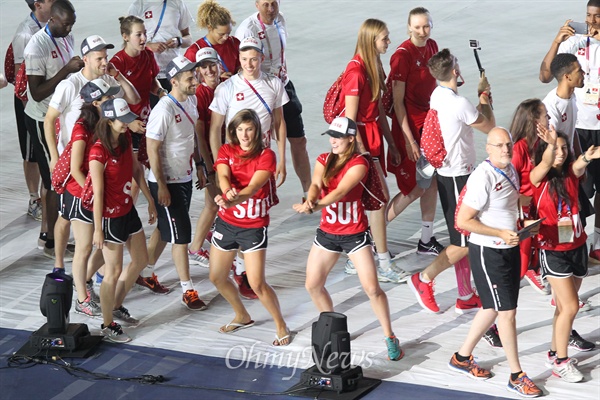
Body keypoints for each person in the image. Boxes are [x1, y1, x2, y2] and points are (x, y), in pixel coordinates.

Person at [294, 117, 403, 361]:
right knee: (312, 285)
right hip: (328, 233)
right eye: (331, 135)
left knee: (372, 288)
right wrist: (310, 199)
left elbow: (340, 191)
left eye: (338, 136)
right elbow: (314, 184)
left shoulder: (360, 163)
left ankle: (390, 336)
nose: (333, 140)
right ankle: (334, 330)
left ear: (351, 139)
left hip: (354, 234)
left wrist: (314, 206)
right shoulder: (324, 159)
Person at [449, 127, 543, 398]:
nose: (505, 150)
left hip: (508, 246)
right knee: (507, 313)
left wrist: (523, 224)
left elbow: (510, 204)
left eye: (508, 145)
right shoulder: (483, 176)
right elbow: (463, 221)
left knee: (491, 307)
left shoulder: (510, 169)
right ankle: (516, 375)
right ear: (487, 148)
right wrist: (500, 233)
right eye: (499, 145)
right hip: (489, 251)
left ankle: (461, 358)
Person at [408, 48, 495, 314]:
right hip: (457, 175)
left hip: (449, 175)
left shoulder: (437, 94)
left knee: (463, 238)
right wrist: (484, 97)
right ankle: (423, 279)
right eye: (457, 65)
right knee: (464, 241)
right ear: (455, 72)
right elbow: (490, 126)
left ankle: (465, 294)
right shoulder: (459, 103)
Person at [45, 34, 140, 276]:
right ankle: (59, 263)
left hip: (99, 162)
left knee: (89, 221)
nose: (104, 61)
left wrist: (117, 75)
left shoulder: (108, 81)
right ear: (85, 59)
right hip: (75, 163)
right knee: (66, 217)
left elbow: (133, 100)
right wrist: (54, 157)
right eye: (99, 58)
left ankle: (91, 273)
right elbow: (49, 120)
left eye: (106, 56)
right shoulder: (70, 85)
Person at [208, 36, 288, 297]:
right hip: (232, 159)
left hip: (261, 158)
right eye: (244, 59)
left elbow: (279, 123)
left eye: (254, 59)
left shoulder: (273, 84)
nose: (249, 64)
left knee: (254, 212)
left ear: (261, 58)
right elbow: (214, 129)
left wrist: (283, 158)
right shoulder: (227, 88)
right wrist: (217, 165)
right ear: (238, 60)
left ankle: (242, 269)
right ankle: (236, 267)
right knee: (231, 210)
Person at [209, 108, 291, 346]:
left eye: (249, 129)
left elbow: (254, 187)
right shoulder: (226, 150)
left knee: (256, 283)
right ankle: (242, 315)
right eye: (240, 129)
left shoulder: (266, 155)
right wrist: (225, 192)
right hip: (227, 222)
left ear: (257, 131)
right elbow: (222, 176)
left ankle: (280, 324)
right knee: (217, 277)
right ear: (233, 131)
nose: (244, 135)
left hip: (253, 226)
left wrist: (230, 199)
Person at [340, 19, 407, 284]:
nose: (388, 43)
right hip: (361, 142)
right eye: (384, 39)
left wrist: (390, 141)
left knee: (375, 202)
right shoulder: (355, 72)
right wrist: (364, 153)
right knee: (378, 201)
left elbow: (377, 110)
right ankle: (382, 262)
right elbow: (350, 118)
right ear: (371, 41)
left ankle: (360, 255)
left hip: (374, 139)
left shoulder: (374, 66)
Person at [531, 130, 598, 382]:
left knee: (563, 308)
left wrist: (588, 156)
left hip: (577, 246)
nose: (560, 153)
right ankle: (561, 361)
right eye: (554, 148)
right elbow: (544, 165)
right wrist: (549, 145)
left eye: (562, 148)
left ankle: (553, 352)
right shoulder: (537, 177)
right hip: (553, 250)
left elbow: (582, 162)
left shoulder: (570, 172)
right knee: (571, 306)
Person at [89, 98, 157, 343]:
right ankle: (107, 324)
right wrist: (98, 229)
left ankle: (116, 305)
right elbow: (97, 193)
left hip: (128, 210)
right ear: (109, 120)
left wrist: (149, 199)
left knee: (141, 259)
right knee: (113, 271)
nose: (128, 124)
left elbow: (136, 169)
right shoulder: (98, 152)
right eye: (123, 120)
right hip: (110, 217)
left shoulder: (126, 138)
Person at [539, 2, 600, 262]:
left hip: (585, 131)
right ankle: (559, 253)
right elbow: (545, 75)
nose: (591, 22)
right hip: (574, 135)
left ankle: (592, 243)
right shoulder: (574, 44)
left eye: (597, 17)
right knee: (568, 195)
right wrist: (557, 40)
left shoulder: (569, 100)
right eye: (588, 16)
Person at [145, 56, 208, 307]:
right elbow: (152, 147)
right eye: (190, 78)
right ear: (174, 81)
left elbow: (193, 137)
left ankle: (145, 272)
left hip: (185, 175)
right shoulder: (164, 109)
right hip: (167, 181)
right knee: (181, 236)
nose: (196, 81)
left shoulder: (191, 101)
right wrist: (160, 185)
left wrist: (201, 165)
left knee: (164, 229)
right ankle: (187, 289)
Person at [23, 0, 82, 260]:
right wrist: (66, 71)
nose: (70, 29)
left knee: (56, 180)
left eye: (72, 24)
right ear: (53, 21)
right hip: (41, 119)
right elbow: (35, 93)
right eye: (66, 24)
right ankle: (47, 240)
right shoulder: (36, 45)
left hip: (60, 114)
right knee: (53, 181)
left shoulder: (65, 35)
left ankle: (54, 235)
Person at [235, 0, 312, 197]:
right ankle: (251, 196)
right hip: (261, 91)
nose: (270, 9)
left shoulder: (280, 19)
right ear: (256, 4)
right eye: (266, 4)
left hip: (284, 85)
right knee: (258, 146)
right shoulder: (247, 29)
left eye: (274, 4)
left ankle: (309, 192)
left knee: (299, 140)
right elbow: (241, 63)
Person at [385, 7, 444, 257]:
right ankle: (369, 234)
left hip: (429, 125)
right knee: (414, 188)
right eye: (417, 27)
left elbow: (437, 84)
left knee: (431, 183)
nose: (422, 31)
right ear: (409, 28)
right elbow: (398, 104)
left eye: (426, 26)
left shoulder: (432, 46)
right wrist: (409, 141)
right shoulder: (402, 55)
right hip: (409, 128)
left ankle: (426, 239)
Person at [62, 79, 119, 318]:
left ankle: (85, 285)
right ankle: (82, 299)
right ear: (95, 102)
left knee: (98, 243)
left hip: (93, 192)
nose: (112, 100)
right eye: (107, 98)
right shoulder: (82, 127)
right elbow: (75, 168)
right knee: (84, 247)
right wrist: (94, 191)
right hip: (78, 194)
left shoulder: (102, 122)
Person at [110, 15, 167, 205]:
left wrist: (161, 92)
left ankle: (131, 210)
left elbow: (152, 81)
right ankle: (128, 211)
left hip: (145, 120)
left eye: (144, 34)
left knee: (142, 169)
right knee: (135, 173)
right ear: (125, 36)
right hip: (127, 125)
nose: (143, 39)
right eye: (138, 35)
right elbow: (108, 102)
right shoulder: (117, 63)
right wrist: (128, 122)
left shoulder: (148, 55)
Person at [9, 0, 54, 223]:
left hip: (50, 99)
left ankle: (50, 195)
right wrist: (30, 112)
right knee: (32, 153)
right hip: (30, 104)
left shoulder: (56, 24)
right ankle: (34, 199)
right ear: (38, 4)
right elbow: (20, 79)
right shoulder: (24, 34)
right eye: (52, 1)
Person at [509, 99, 551, 296]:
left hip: (538, 206)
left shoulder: (540, 144)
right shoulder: (518, 149)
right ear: (535, 120)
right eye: (545, 115)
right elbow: (508, 183)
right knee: (521, 259)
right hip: (522, 211)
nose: (549, 118)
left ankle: (537, 268)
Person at [127, 0, 193, 105]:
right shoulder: (138, 5)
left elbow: (188, 38)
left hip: (175, 72)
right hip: (150, 74)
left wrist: (179, 41)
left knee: (178, 112)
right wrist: (149, 46)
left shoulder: (177, 3)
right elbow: (128, 41)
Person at [184, 0, 240, 80]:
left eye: (228, 33)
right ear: (210, 28)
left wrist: (241, 71)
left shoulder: (234, 42)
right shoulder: (194, 51)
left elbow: (239, 67)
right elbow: (187, 81)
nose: (226, 37)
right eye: (221, 34)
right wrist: (216, 79)